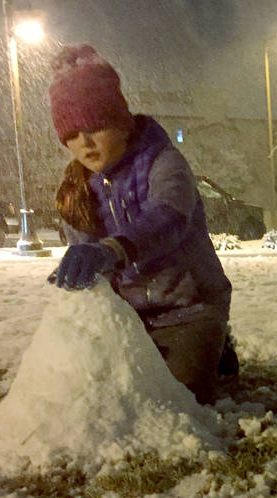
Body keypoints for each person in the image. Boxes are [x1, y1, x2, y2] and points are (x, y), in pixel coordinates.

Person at [47, 44, 233, 404]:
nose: (83, 144)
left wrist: (113, 250)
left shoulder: (164, 163)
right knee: (97, 392)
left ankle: (216, 345)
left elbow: (167, 218)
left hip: (188, 309)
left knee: (173, 399)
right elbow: (86, 256)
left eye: (94, 127)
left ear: (120, 122)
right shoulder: (77, 189)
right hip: (128, 317)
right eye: (71, 135)